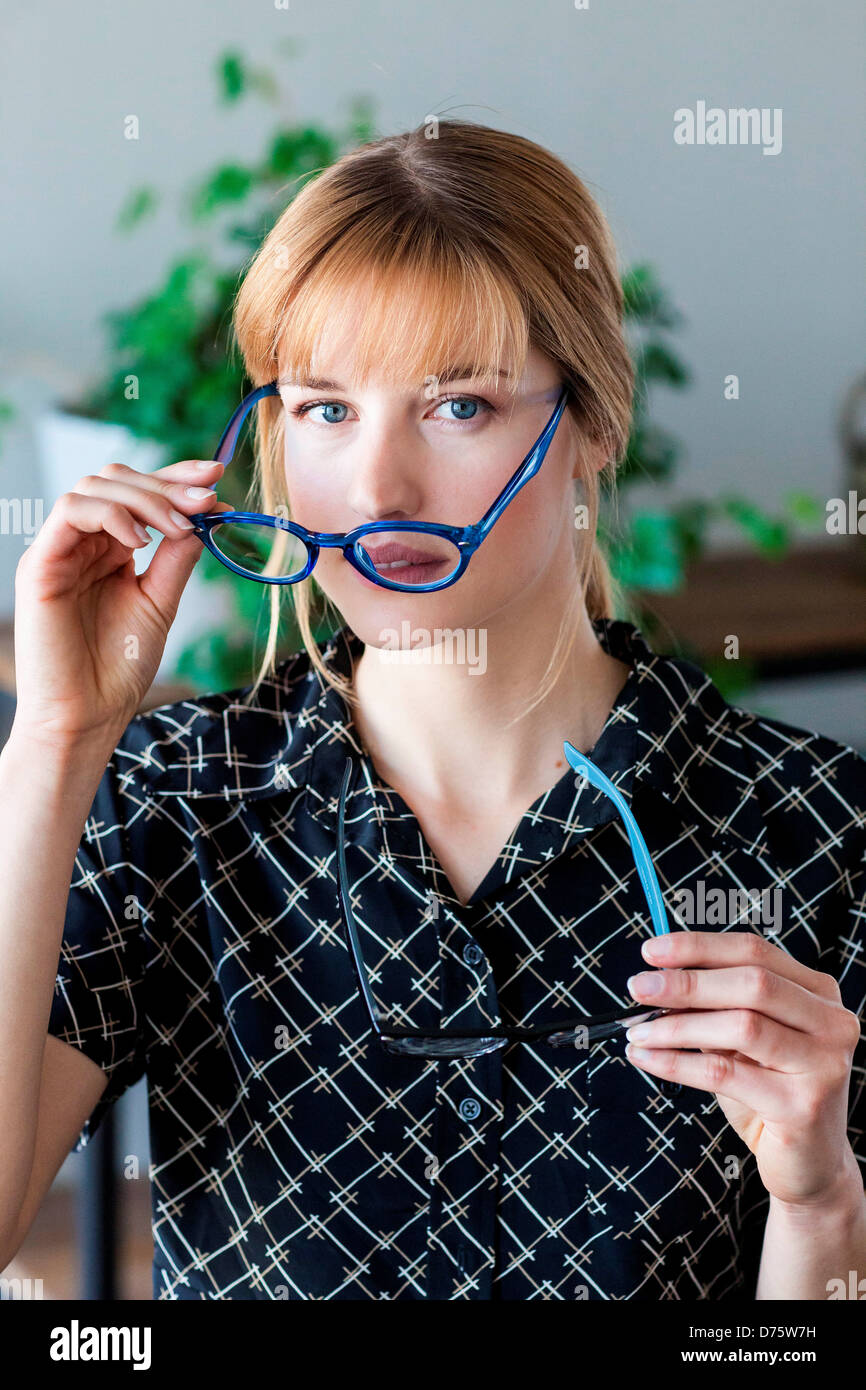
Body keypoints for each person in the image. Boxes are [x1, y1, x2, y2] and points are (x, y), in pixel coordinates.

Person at [1, 120, 864, 1302]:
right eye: (323, 409)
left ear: (593, 422)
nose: (376, 488)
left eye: (457, 405)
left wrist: (818, 1208)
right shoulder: (170, 798)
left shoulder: (823, 833)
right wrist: (53, 739)